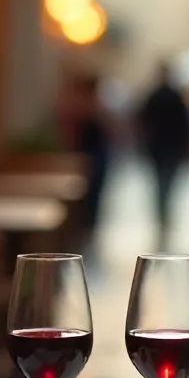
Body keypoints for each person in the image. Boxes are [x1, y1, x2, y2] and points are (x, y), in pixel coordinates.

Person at [138, 61, 189, 246]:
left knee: (160, 186)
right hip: (170, 149)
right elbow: (186, 125)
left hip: (159, 149)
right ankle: (164, 218)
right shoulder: (176, 96)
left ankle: (162, 217)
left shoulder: (154, 96)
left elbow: (142, 122)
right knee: (167, 185)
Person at [74, 74, 112, 249]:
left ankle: (89, 228)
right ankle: (87, 228)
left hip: (95, 157)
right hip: (90, 159)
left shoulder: (92, 106)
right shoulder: (86, 108)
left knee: (95, 195)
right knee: (91, 195)